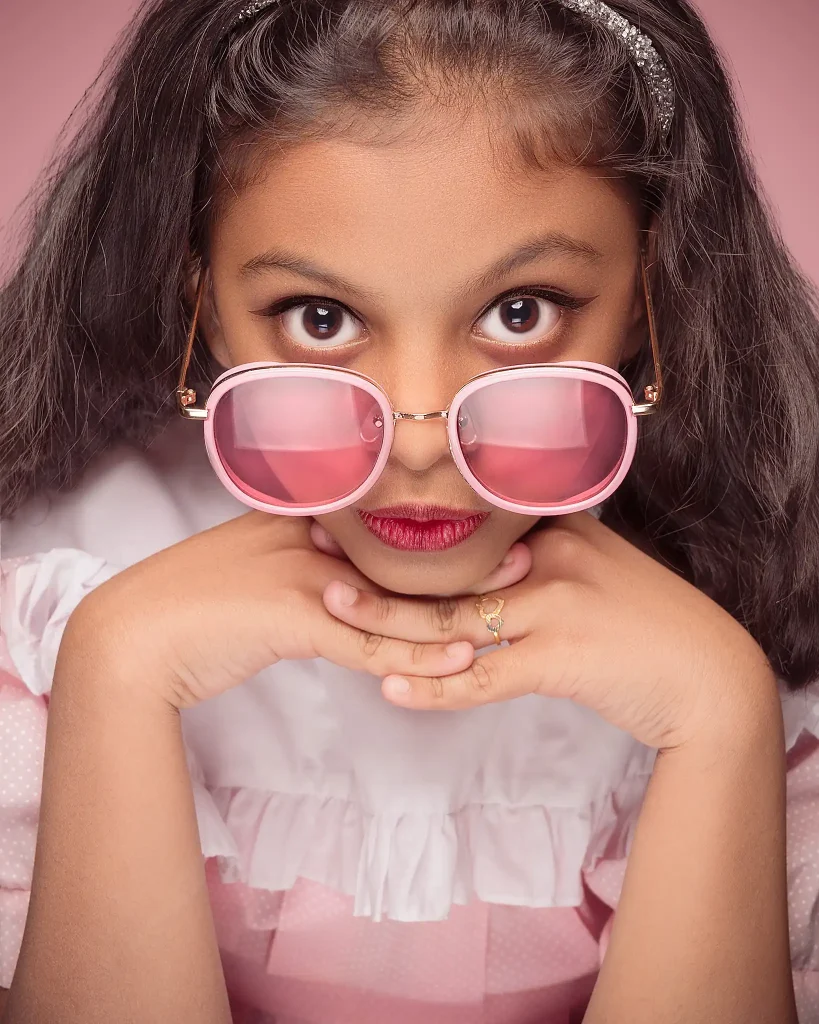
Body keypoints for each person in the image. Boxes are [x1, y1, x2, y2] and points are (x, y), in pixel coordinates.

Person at [1, 0, 818, 1020]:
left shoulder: (770, 630)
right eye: (322, 318)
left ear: (653, 300)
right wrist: (115, 671)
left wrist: (720, 712)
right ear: (204, 307)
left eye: (521, 313)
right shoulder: (46, 606)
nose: (421, 440)